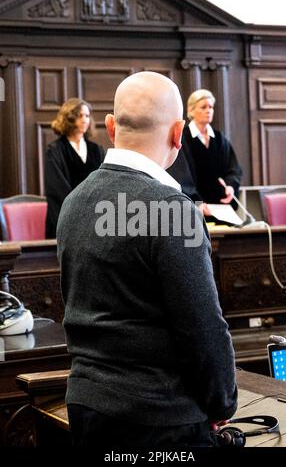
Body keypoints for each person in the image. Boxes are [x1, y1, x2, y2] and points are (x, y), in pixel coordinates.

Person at [57, 72, 238, 448]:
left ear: (109, 127)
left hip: (86, 407)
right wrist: (223, 403)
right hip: (160, 421)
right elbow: (202, 328)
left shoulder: (74, 202)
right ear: (178, 133)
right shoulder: (172, 209)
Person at [167, 89, 242, 218]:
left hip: (221, 209)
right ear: (191, 111)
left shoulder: (219, 138)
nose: (208, 110)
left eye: (211, 107)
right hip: (194, 209)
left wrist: (230, 186)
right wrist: (197, 202)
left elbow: (234, 169)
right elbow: (181, 174)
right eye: (203, 107)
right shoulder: (183, 137)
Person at [44, 97, 105, 238]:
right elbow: (57, 189)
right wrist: (79, 212)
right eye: (80, 116)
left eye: (87, 116)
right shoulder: (55, 150)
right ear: (69, 118)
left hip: (95, 219)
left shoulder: (96, 150)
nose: (85, 120)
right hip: (65, 219)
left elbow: (103, 183)